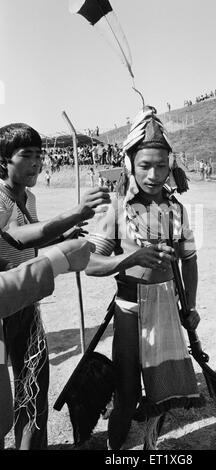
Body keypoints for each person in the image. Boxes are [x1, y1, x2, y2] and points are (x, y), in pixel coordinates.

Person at [86, 106, 204, 450]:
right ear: (129, 166)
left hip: (168, 309)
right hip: (130, 310)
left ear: (172, 166)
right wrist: (132, 257)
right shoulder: (116, 210)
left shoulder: (178, 210)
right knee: (126, 391)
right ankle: (115, 452)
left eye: (162, 165)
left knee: (160, 391)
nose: (154, 174)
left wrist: (191, 306)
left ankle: (152, 448)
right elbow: (91, 265)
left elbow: (190, 261)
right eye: (145, 165)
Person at [0, 123, 111, 450]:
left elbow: (33, 237)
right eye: (26, 155)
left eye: (40, 155)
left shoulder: (27, 196)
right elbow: (15, 238)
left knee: (33, 387)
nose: (36, 162)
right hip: (3, 306)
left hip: (27, 305)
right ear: (3, 160)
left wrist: (64, 234)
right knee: (3, 403)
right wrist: (73, 213)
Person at [0, 239, 95, 449]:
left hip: (19, 304)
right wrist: (58, 260)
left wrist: (5, 266)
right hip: (13, 304)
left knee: (30, 385)